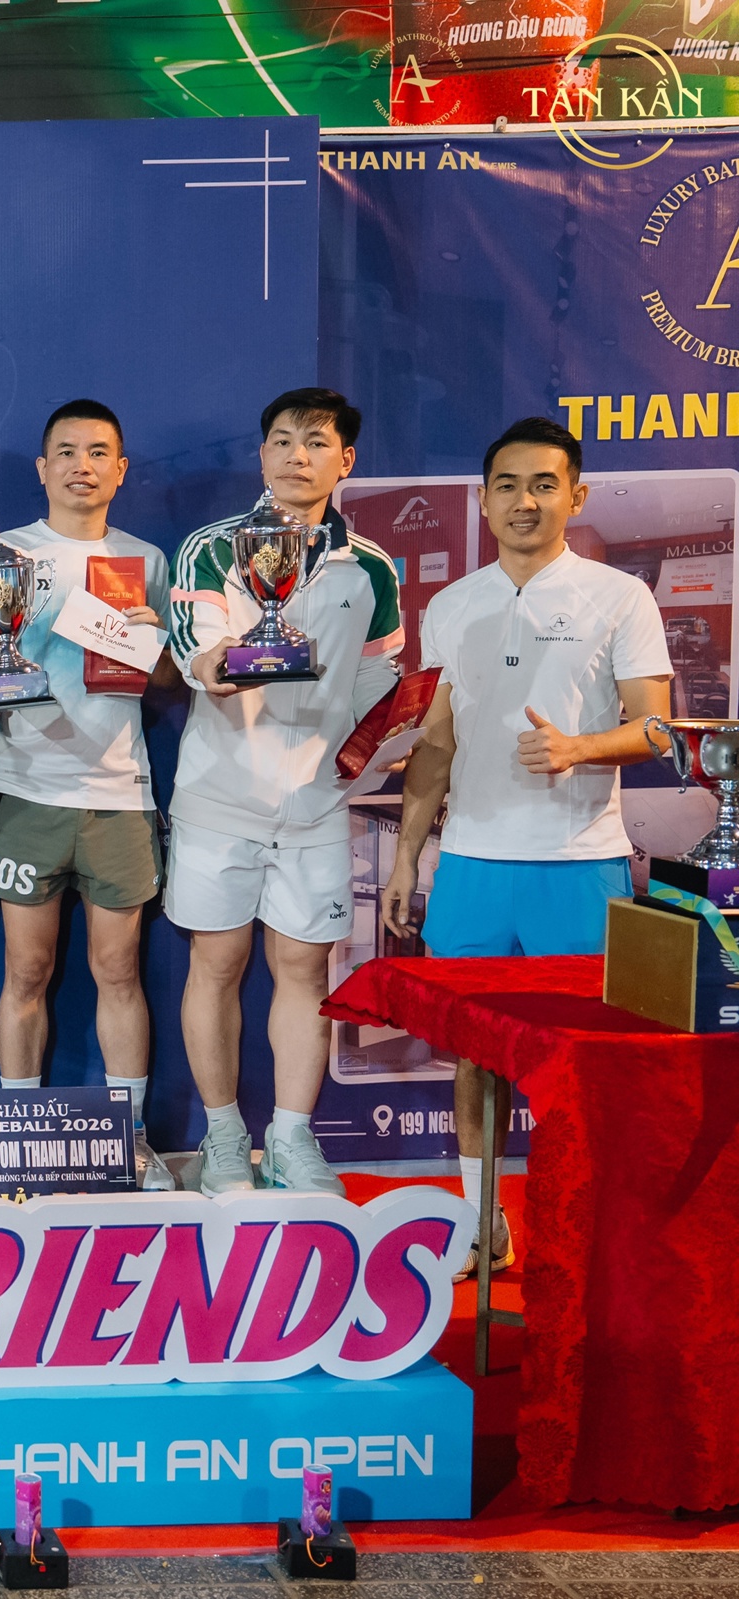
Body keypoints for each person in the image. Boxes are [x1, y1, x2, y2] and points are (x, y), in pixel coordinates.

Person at [381, 414, 670, 1274]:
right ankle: (485, 1224)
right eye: (507, 485)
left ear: (575, 495)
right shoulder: (450, 605)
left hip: (580, 864)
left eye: (545, 484)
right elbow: (437, 743)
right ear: (484, 499)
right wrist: (407, 857)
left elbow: (655, 726)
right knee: (476, 1058)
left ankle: (580, 1231)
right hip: (472, 865)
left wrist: (581, 748)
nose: (525, 501)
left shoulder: (620, 596)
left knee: (575, 1069)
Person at [165, 388, 403, 1195]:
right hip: (219, 797)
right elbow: (196, 647)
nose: (298, 456)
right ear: (261, 454)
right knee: (217, 963)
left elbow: (378, 677)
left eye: (317, 442)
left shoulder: (371, 567)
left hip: (315, 805)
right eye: (282, 440)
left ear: (346, 460)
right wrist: (221, 664)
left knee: (303, 970)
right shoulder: (211, 547)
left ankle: (293, 1138)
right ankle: (224, 1137)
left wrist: (374, 740)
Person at [0, 399, 180, 1189]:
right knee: (27, 969)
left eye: (99, 452)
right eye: (68, 451)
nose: (83, 465)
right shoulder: (9, 554)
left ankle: (128, 1139)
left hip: (120, 793)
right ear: (43, 468)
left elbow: (171, 679)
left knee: (119, 969)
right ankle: (20, 1136)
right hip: (27, 790)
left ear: (121, 469)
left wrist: (148, 639)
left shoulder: (147, 559)